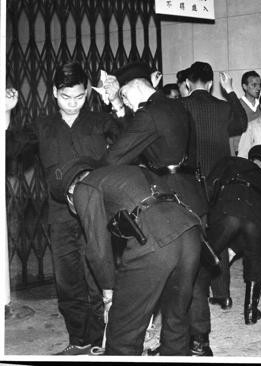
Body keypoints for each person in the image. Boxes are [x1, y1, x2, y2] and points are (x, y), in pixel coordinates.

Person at [5, 62, 123, 354]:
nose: (73, 104)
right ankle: (78, 339)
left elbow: (130, 137)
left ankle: (98, 340)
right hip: (59, 213)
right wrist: (5, 112)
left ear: (87, 94)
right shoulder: (42, 126)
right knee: (67, 279)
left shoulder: (99, 121)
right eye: (66, 97)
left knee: (97, 276)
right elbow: (9, 149)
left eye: (80, 97)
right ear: (55, 93)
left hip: (96, 211)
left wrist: (117, 101)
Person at [99, 61, 210, 354]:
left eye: (124, 96)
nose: (126, 103)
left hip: (170, 198)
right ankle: (198, 341)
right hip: (193, 193)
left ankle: (170, 342)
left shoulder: (148, 114)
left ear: (133, 87)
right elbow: (147, 139)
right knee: (192, 274)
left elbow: (117, 158)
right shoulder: (175, 106)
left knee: (166, 278)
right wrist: (120, 110)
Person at [51, 158, 202, 355]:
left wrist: (108, 295)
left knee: (122, 336)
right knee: (176, 323)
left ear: (69, 196)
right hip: (191, 234)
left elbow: (97, 248)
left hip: (154, 243)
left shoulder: (82, 188)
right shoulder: (124, 173)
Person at [179, 61, 248, 316]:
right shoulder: (222, 108)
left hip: (190, 183)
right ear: (210, 84)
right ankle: (223, 295)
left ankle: (192, 294)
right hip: (219, 181)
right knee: (218, 236)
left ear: (187, 83)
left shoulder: (182, 106)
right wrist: (229, 91)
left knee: (191, 237)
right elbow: (241, 123)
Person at [189, 144, 261, 337]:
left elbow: (210, 185)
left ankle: (195, 300)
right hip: (256, 216)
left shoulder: (231, 161)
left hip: (229, 208)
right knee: (255, 260)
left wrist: (210, 211)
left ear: (252, 158)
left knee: (208, 255)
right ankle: (250, 312)